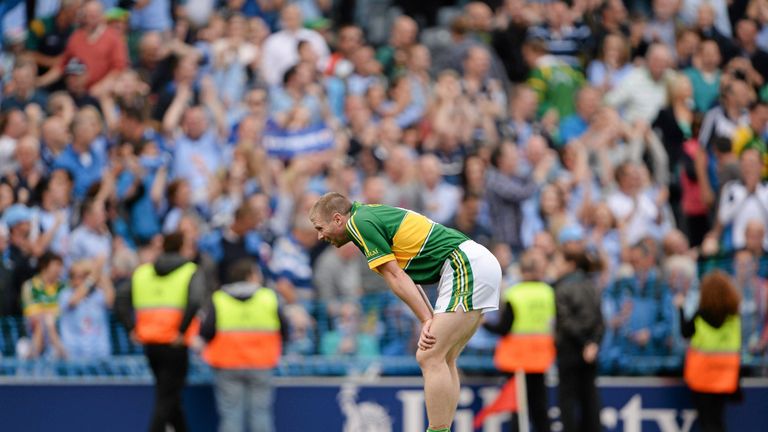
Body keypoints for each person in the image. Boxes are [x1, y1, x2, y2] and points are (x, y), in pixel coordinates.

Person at [309, 192, 501, 432]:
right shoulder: (367, 216)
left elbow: (395, 275)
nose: (319, 235)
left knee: (429, 355)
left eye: (320, 227)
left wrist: (425, 320)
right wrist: (428, 317)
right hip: (474, 263)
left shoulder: (358, 223)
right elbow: (407, 276)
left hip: (464, 265)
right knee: (443, 356)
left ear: (338, 219)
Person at [115, 232, 207, 432]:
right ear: (181, 248)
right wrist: (181, 331)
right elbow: (194, 301)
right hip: (175, 344)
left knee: (170, 397)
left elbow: (120, 299)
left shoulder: (143, 272)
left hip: (151, 344)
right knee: (166, 399)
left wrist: (132, 328)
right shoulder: (190, 271)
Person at [200, 259, 286, 432]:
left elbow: (206, 331)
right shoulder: (268, 297)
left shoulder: (219, 298)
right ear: (250, 275)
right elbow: (285, 328)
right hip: (261, 363)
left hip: (227, 363)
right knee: (260, 413)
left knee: (231, 414)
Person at [483, 250, 554, 432]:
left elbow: (504, 328)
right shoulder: (549, 292)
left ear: (521, 271)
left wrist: (484, 323)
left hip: (517, 358)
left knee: (519, 408)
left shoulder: (515, 294)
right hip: (541, 356)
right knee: (540, 408)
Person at [676, 270, 741, 432]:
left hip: (702, 378)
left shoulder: (700, 315)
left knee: (707, 422)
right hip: (725, 377)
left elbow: (685, 332)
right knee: (718, 420)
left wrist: (681, 309)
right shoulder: (733, 318)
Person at [554, 248, 604, 432]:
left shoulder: (561, 287)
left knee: (567, 401)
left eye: (559, 262)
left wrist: (584, 343)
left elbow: (565, 322)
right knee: (590, 398)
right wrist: (593, 344)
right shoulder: (592, 286)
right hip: (590, 352)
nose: (556, 267)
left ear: (571, 264)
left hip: (569, 350)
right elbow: (600, 321)